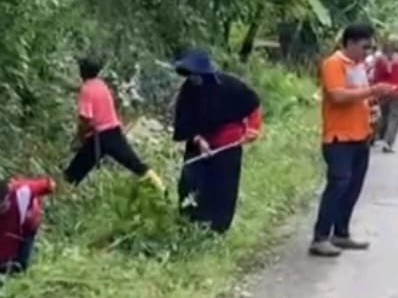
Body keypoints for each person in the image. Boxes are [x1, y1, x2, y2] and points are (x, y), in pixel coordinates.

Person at [310, 23, 395, 258]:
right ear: (350, 43)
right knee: (338, 184)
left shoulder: (358, 66)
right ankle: (320, 237)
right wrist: (372, 91)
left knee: (353, 187)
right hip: (339, 138)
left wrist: (373, 105)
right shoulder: (334, 64)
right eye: (364, 46)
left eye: (371, 47)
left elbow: (358, 97)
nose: (368, 52)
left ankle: (341, 233)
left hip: (360, 135)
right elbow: (337, 96)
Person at [171, 50, 262, 234]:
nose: (193, 79)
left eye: (196, 75)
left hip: (228, 144)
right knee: (191, 182)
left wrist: (253, 129)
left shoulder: (230, 85)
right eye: (191, 75)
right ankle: (190, 225)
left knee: (223, 188)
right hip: (198, 144)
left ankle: (218, 229)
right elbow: (184, 121)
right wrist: (198, 140)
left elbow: (253, 103)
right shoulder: (188, 90)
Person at [65, 56, 161, 188]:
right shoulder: (101, 85)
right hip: (114, 132)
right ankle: (162, 190)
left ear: (82, 71)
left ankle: (59, 193)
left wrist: (80, 137)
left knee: (72, 174)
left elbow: (86, 119)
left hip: (98, 137)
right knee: (136, 164)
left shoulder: (86, 89)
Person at [0, 175, 55, 275]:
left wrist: (49, 187)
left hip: (27, 226)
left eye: (0, 205)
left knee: (23, 262)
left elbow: (46, 185)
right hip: (6, 229)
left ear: (8, 197)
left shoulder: (22, 191)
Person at [372, 38, 398, 152]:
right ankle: (388, 142)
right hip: (397, 93)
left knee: (384, 115)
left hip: (383, 92)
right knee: (394, 118)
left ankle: (376, 137)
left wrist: (374, 92)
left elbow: (375, 77)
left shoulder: (380, 59)